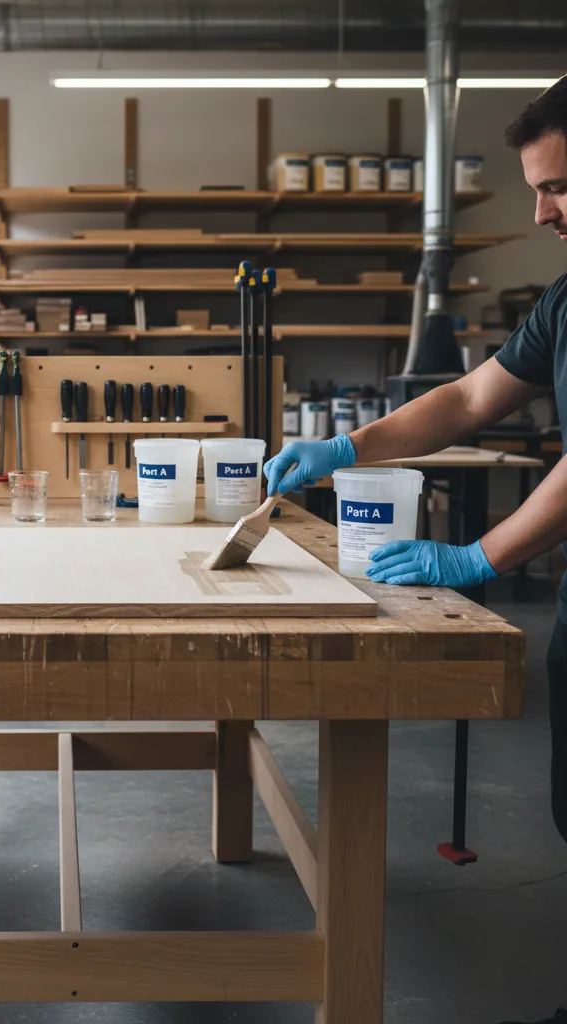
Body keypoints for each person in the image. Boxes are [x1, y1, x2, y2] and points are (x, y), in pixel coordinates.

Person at [264, 76, 567, 1024]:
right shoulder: (564, 301)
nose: (543, 210)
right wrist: (348, 448)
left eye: (561, 186)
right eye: (534, 188)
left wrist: (477, 558)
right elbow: (472, 401)